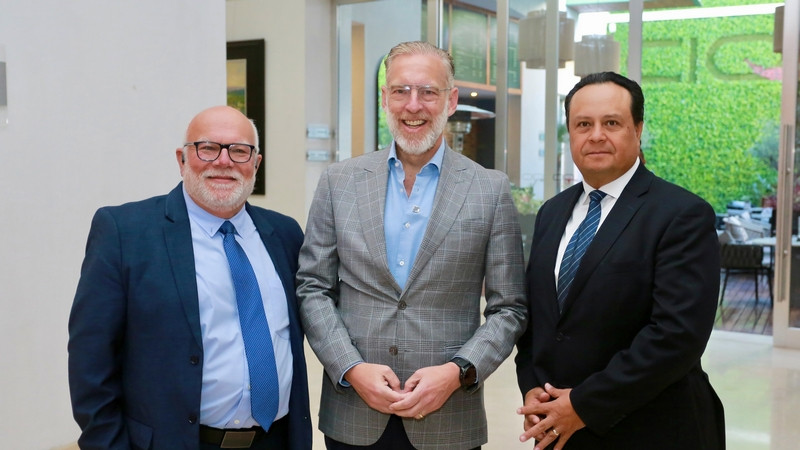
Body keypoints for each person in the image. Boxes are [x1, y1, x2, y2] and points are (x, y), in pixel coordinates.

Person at [296, 41, 527, 450]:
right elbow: (313, 287)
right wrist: (350, 367)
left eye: (428, 92)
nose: (413, 105)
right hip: (354, 414)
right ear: (385, 98)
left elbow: (508, 308)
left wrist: (459, 371)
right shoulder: (339, 182)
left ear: (451, 100)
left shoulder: (489, 190)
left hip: (448, 416)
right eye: (401, 90)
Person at [68, 105, 312, 450]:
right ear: (182, 159)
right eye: (208, 148)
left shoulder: (285, 234)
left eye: (240, 151)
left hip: (277, 439)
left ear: (256, 163)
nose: (224, 162)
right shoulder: (125, 233)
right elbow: (90, 359)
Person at [515, 72, 725, 449]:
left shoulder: (681, 214)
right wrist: (532, 386)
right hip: (560, 429)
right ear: (570, 133)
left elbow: (676, 337)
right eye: (583, 124)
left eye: (611, 122)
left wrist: (581, 404)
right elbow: (539, 318)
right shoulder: (552, 212)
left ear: (638, 129)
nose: (596, 135)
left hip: (651, 428)